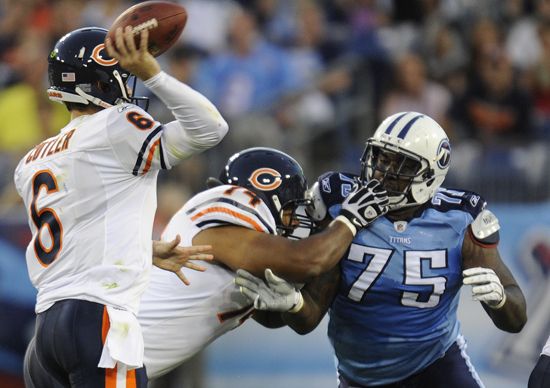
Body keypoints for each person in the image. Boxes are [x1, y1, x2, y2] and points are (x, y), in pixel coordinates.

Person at [236, 111, 528, 388]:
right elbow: (309, 317)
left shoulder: (461, 217)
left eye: (402, 165)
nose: (384, 172)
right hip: (363, 376)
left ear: (430, 175)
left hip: (438, 365)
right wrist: (294, 304)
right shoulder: (337, 203)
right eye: (381, 158)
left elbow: (516, 320)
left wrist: (500, 299)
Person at [15, 25, 228, 388]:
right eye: (125, 76)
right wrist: (154, 75)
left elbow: (75, 231)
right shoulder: (115, 125)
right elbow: (211, 127)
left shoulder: (31, 161)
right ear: (103, 81)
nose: (131, 84)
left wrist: (141, 249)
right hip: (97, 319)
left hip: (46, 331)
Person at [139, 146, 390, 380]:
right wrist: (350, 220)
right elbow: (307, 261)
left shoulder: (241, 252)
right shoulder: (224, 225)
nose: (294, 222)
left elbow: (274, 316)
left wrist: (292, 303)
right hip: (109, 346)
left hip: (121, 359)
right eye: (291, 209)